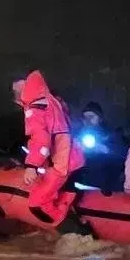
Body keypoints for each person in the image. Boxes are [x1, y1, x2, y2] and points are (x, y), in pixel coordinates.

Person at [16, 70, 89, 231]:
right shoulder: (52, 102)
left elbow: (40, 139)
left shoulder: (35, 108)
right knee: (64, 195)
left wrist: (32, 166)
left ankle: (74, 231)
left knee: (37, 204)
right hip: (73, 159)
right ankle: (79, 228)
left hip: (60, 163)